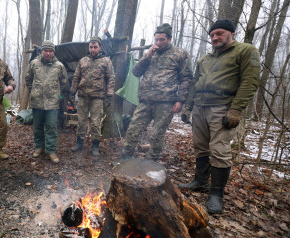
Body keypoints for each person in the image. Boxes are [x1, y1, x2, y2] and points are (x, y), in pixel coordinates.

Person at [179, 19, 260, 214]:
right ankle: (200, 181)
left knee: (219, 150)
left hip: (222, 107)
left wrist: (235, 110)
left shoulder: (245, 51)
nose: (215, 37)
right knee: (200, 147)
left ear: (231, 33)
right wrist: (188, 107)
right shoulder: (205, 59)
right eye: (212, 35)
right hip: (200, 107)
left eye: (220, 33)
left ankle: (216, 194)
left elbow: (250, 81)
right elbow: (194, 84)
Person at [121, 23, 193, 161]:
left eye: (162, 40)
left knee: (157, 134)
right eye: (157, 40)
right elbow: (136, 72)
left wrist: (180, 100)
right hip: (145, 100)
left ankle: (150, 163)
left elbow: (186, 79)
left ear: (170, 39)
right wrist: (147, 56)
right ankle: (124, 160)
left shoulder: (180, 54)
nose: (159, 43)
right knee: (133, 130)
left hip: (166, 102)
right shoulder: (151, 53)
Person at [69, 36, 115, 156]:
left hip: (98, 96)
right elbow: (76, 77)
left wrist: (109, 94)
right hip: (83, 95)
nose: (93, 49)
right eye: (91, 47)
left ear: (100, 47)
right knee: (81, 121)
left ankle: (95, 145)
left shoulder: (106, 61)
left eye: (95, 47)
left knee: (95, 122)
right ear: (88, 48)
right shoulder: (83, 60)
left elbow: (111, 78)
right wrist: (72, 92)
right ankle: (79, 143)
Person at [25, 40, 68, 163]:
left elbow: (64, 83)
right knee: (37, 126)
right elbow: (28, 79)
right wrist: (34, 91)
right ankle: (39, 147)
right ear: (41, 51)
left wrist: (58, 95)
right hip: (37, 102)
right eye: (46, 51)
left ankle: (51, 150)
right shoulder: (34, 63)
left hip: (52, 103)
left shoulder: (59, 66)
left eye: (50, 51)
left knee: (51, 127)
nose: (48, 53)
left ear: (53, 52)